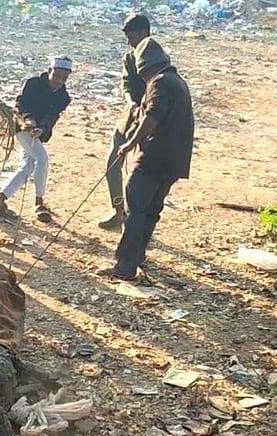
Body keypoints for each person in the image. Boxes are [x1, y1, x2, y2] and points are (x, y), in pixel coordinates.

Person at [102, 38, 194, 280]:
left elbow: (153, 116)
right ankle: (138, 256)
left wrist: (131, 143)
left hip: (153, 158)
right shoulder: (178, 82)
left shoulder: (160, 82)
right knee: (152, 210)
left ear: (145, 69)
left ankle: (124, 266)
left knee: (136, 211)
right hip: (174, 162)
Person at [0, 57, 72, 223]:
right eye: (56, 76)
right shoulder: (33, 84)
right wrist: (29, 120)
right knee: (42, 159)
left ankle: (0, 200)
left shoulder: (64, 97)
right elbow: (21, 104)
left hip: (39, 133)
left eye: (64, 78)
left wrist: (43, 128)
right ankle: (39, 202)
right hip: (22, 128)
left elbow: (52, 115)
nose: (59, 81)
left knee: (27, 165)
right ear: (49, 71)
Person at [98, 13, 151, 231]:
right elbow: (127, 85)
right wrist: (131, 104)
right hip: (131, 116)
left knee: (143, 174)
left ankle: (137, 221)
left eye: (133, 36)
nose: (130, 41)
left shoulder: (156, 57)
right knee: (113, 163)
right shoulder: (130, 57)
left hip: (151, 119)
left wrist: (143, 110)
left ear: (144, 33)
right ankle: (118, 211)